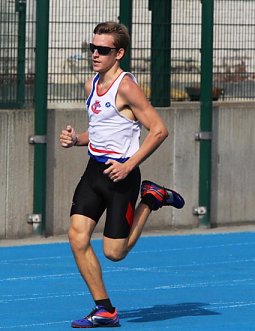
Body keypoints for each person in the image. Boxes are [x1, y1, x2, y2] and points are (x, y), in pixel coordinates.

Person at [59, 21, 185, 328]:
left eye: (103, 50)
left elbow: (159, 131)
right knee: (77, 238)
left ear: (119, 53)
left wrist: (129, 166)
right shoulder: (90, 85)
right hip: (93, 172)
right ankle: (105, 309)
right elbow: (102, 131)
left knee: (114, 253)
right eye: (92, 48)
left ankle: (151, 199)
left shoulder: (127, 87)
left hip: (122, 177)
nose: (95, 54)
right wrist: (77, 140)